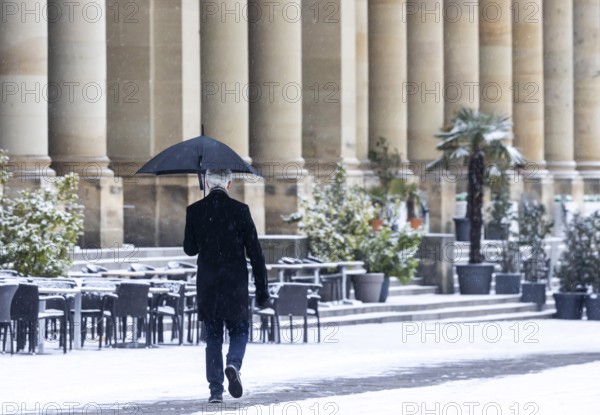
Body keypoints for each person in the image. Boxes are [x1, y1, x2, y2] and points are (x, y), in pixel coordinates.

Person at [183, 168, 270, 404]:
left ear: (208, 184)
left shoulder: (195, 210)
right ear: (229, 183)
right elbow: (255, 253)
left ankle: (215, 391)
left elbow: (189, 249)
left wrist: (201, 222)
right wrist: (263, 289)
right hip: (235, 284)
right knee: (240, 330)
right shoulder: (240, 211)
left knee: (213, 337)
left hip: (209, 285)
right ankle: (233, 363)